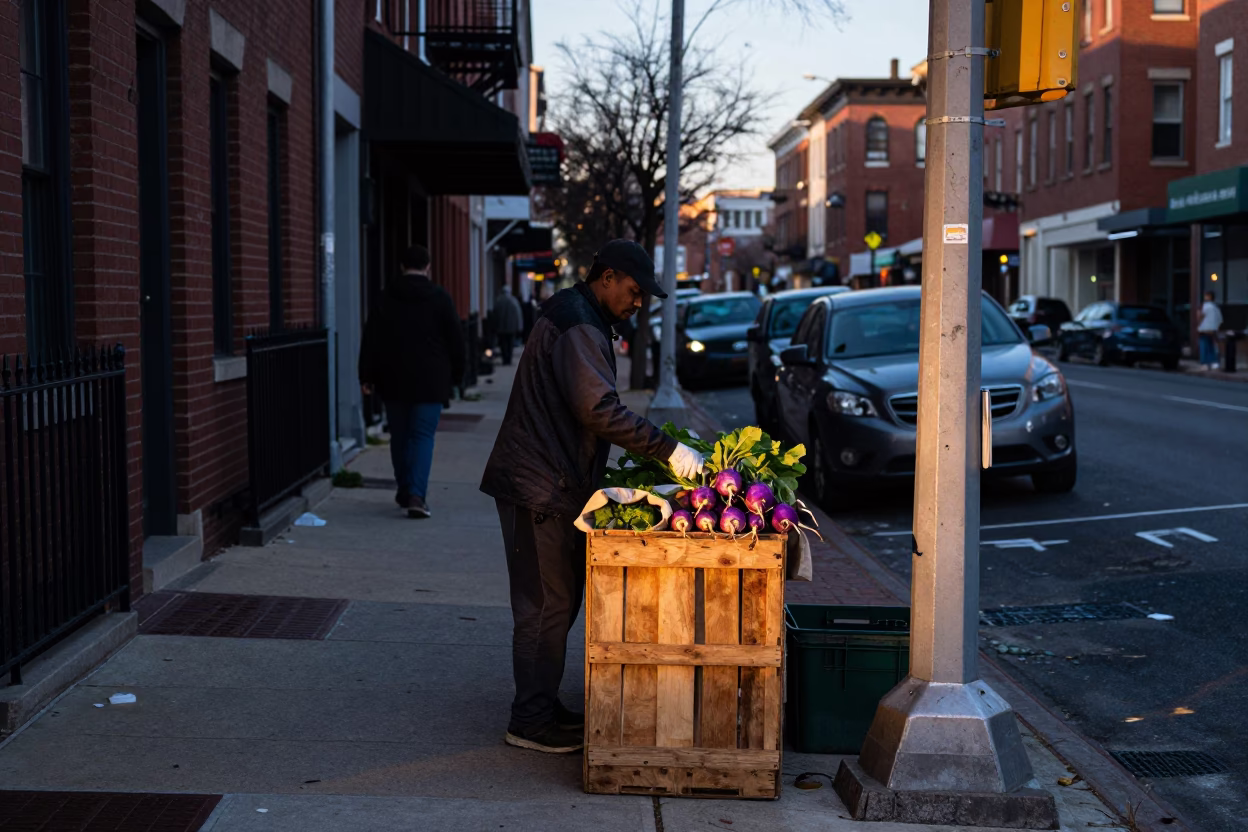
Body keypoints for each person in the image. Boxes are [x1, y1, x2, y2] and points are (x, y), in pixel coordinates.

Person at [480, 239, 705, 754]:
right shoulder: (579, 323)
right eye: (633, 290)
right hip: (540, 485)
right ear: (606, 277)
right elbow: (597, 409)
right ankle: (529, 722)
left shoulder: (580, 315)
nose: (638, 301)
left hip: (546, 479)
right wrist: (668, 450)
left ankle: (541, 706)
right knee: (545, 608)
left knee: (555, 605)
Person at [359, 244, 466, 519]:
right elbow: (456, 339)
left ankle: (405, 487)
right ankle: (417, 494)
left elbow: (371, 337)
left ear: (402, 266)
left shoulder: (386, 297)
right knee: (422, 437)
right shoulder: (440, 297)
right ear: (428, 267)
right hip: (431, 379)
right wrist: (458, 375)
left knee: (400, 436)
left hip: (393, 378)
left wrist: (366, 375)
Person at [492, 285, 524, 365]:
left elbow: (495, 315)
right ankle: (508, 359)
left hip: (501, 327)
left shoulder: (498, 301)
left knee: (503, 344)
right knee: (510, 344)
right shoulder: (514, 301)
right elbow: (518, 315)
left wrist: (494, 327)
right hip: (511, 327)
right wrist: (519, 327)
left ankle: (505, 359)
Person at [1197, 290, 1223, 371]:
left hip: (1204, 329)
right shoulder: (1216, 308)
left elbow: (1200, 317)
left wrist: (1198, 325)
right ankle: (1214, 362)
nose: (1204, 297)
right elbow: (1220, 320)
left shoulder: (1204, 306)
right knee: (1212, 346)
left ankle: (1204, 363)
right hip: (1213, 330)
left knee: (1204, 346)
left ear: (1208, 297)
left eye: (1206, 295)